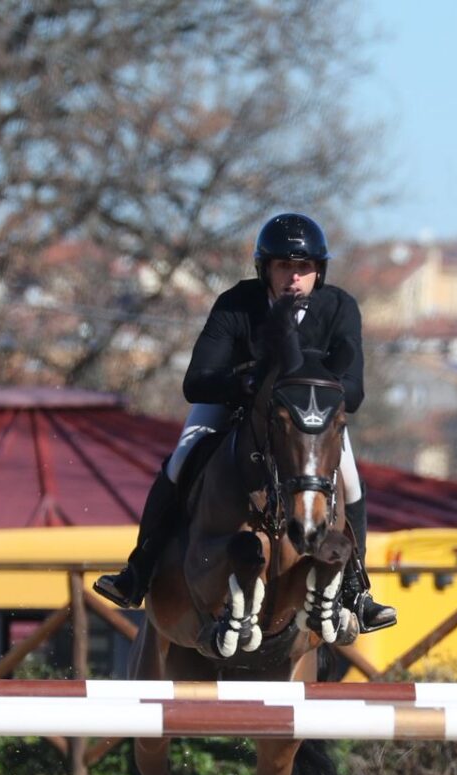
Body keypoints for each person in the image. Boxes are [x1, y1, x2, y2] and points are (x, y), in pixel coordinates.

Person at [93, 212, 396, 633]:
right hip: (236, 406)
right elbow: (196, 381)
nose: (294, 278)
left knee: (349, 476)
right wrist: (248, 382)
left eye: (304, 268)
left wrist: (308, 393)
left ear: (318, 272)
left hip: (309, 421)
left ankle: (356, 591)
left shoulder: (339, 307)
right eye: (284, 267)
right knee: (182, 457)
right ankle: (138, 570)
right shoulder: (236, 304)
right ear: (265, 269)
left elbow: (355, 391)